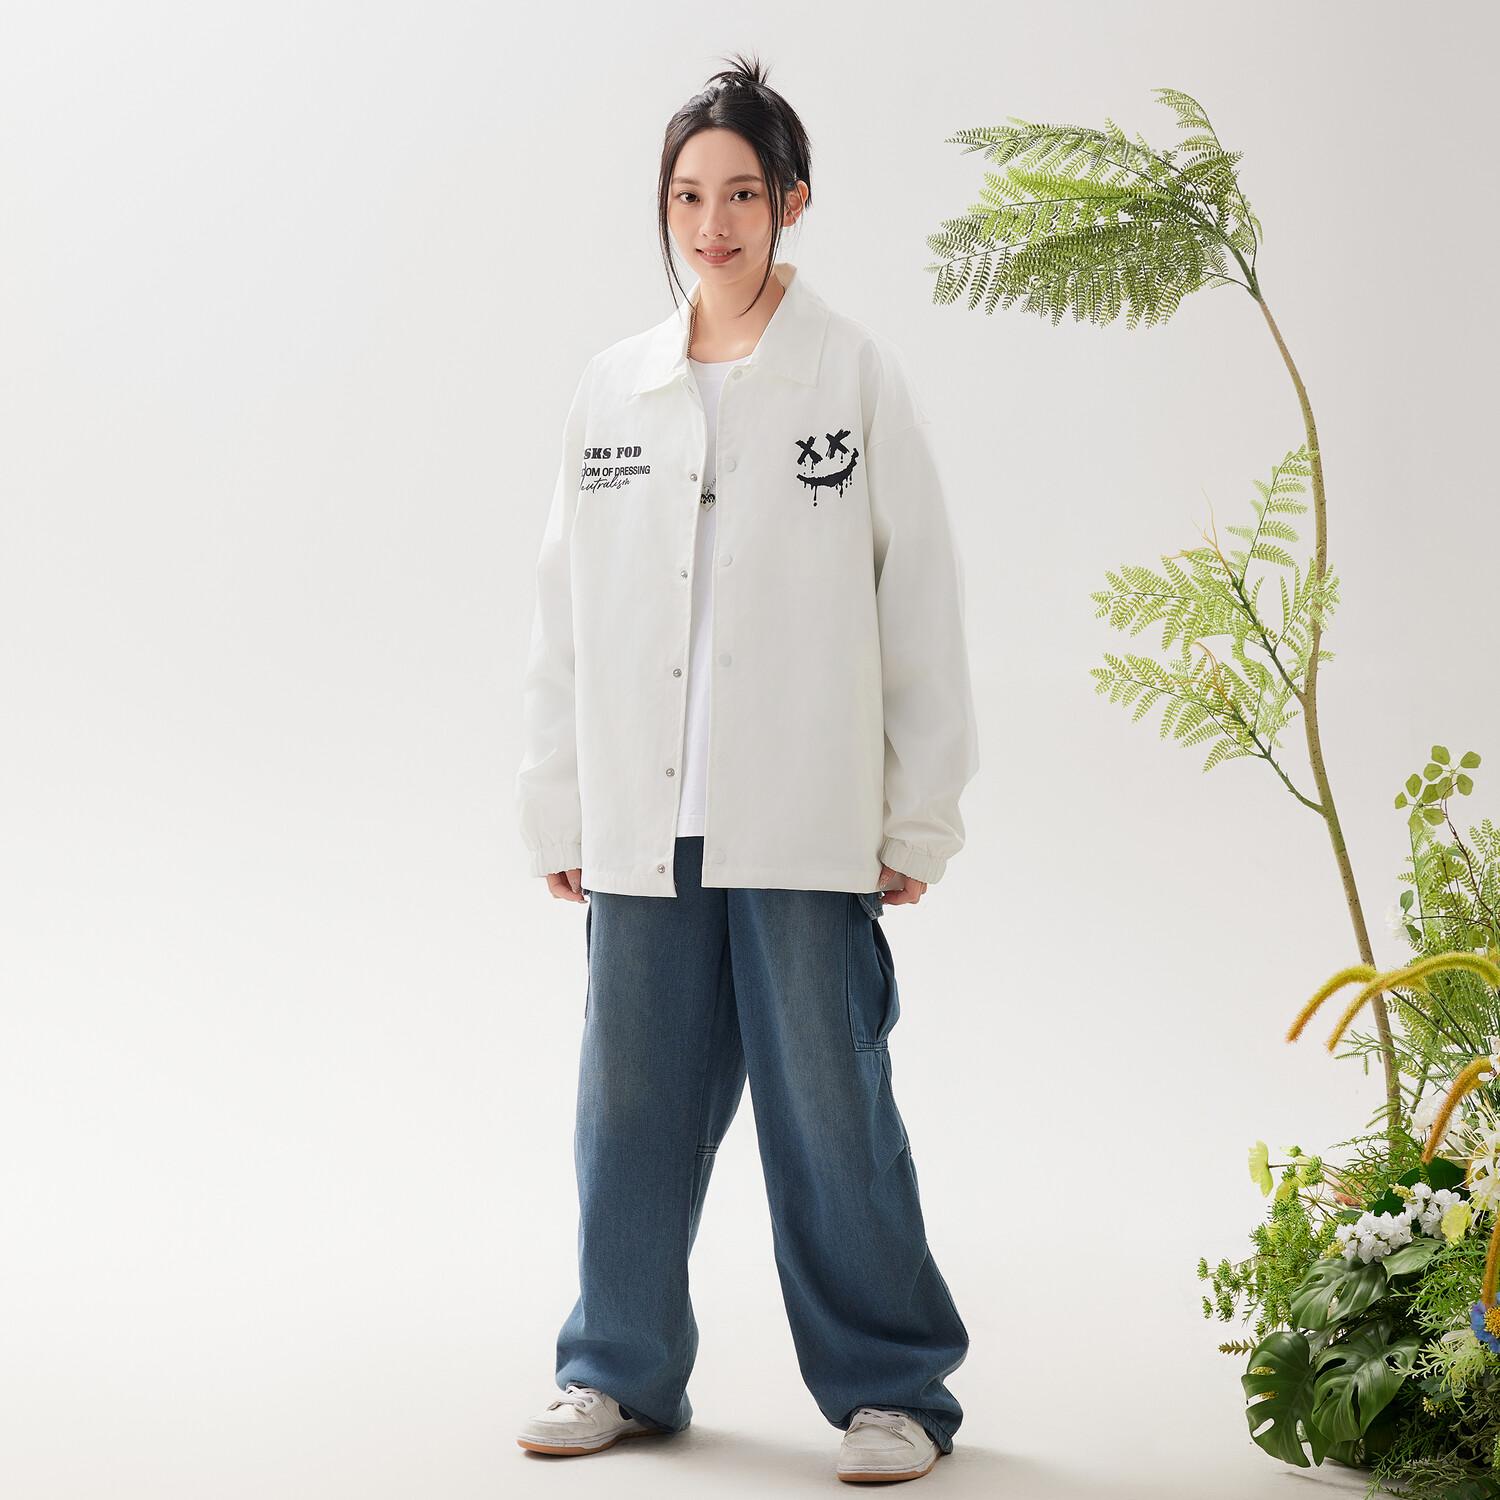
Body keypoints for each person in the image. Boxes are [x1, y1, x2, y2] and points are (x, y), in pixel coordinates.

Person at [511, 52, 980, 1486]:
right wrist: (561, 801)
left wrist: (918, 814)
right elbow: (565, 614)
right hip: (647, 818)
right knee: (629, 1109)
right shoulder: (614, 388)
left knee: (831, 1112)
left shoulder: (852, 375)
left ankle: (894, 1392)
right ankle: (617, 1369)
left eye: (739, 195)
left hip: (804, 814)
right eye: (686, 196)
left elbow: (920, 602)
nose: (710, 224)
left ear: (792, 203)